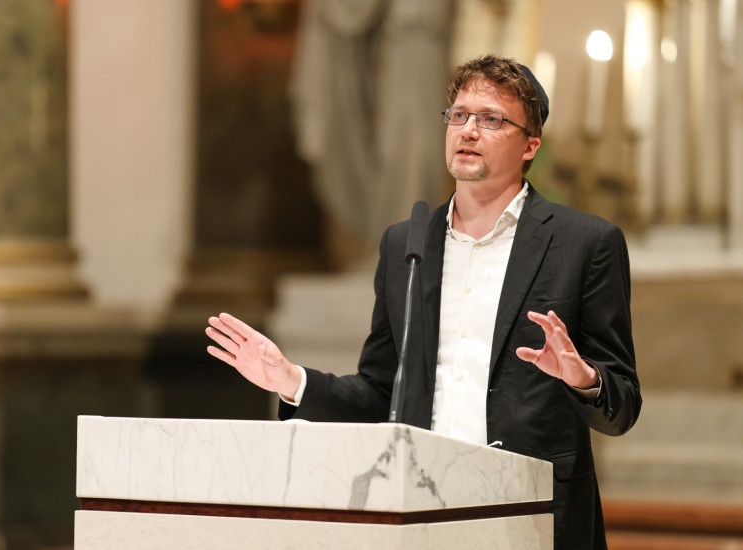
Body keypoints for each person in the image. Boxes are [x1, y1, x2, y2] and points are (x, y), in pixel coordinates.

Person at [206, 54, 641, 550]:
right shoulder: (407, 245)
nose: (468, 130)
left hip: (535, 517)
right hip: (423, 514)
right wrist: (292, 380)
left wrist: (583, 378)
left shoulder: (585, 243)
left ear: (529, 146)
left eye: (491, 119)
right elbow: (379, 392)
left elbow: (623, 405)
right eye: (459, 115)